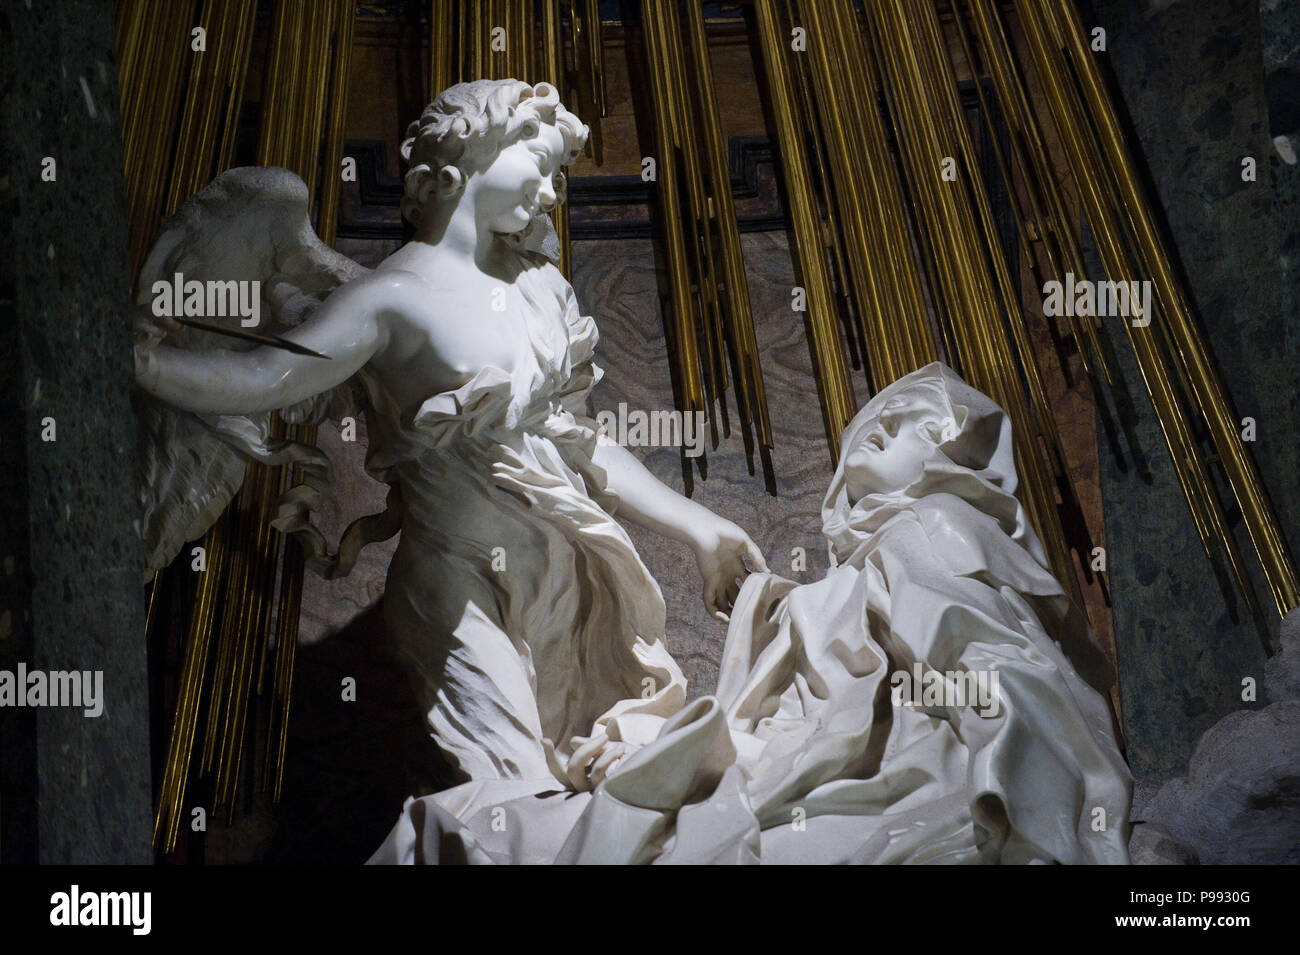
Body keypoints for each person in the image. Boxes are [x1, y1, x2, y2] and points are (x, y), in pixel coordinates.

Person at [134, 78, 766, 793]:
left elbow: (582, 448)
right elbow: (267, 381)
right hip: (453, 585)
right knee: (519, 800)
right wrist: (143, 362)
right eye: (541, 161)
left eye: (560, 174)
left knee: (589, 802)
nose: (554, 192)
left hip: (567, 581)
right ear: (471, 153)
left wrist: (701, 528)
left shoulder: (540, 292)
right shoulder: (389, 298)